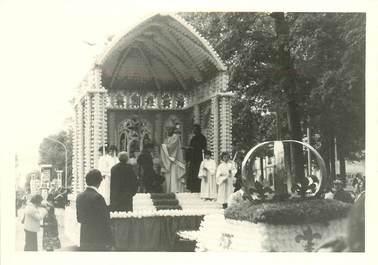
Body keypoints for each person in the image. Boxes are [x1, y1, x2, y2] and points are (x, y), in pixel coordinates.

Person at [76, 169, 113, 251]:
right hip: (97, 238)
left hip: (84, 237)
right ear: (99, 182)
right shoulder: (98, 198)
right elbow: (105, 221)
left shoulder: (79, 197)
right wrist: (110, 241)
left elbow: (79, 218)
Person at [160, 126, 186, 193]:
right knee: (169, 177)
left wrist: (164, 146)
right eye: (167, 130)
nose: (168, 131)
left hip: (175, 161)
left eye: (169, 130)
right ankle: (169, 190)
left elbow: (171, 147)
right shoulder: (167, 138)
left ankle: (175, 190)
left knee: (174, 176)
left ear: (173, 130)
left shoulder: (175, 137)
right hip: (169, 161)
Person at [187, 124, 207, 192]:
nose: (194, 131)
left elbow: (203, 147)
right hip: (193, 158)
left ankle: (198, 188)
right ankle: (192, 188)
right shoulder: (193, 138)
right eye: (193, 129)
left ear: (198, 130)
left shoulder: (202, 138)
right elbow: (190, 148)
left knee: (198, 171)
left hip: (199, 158)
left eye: (195, 129)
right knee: (193, 173)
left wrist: (193, 148)